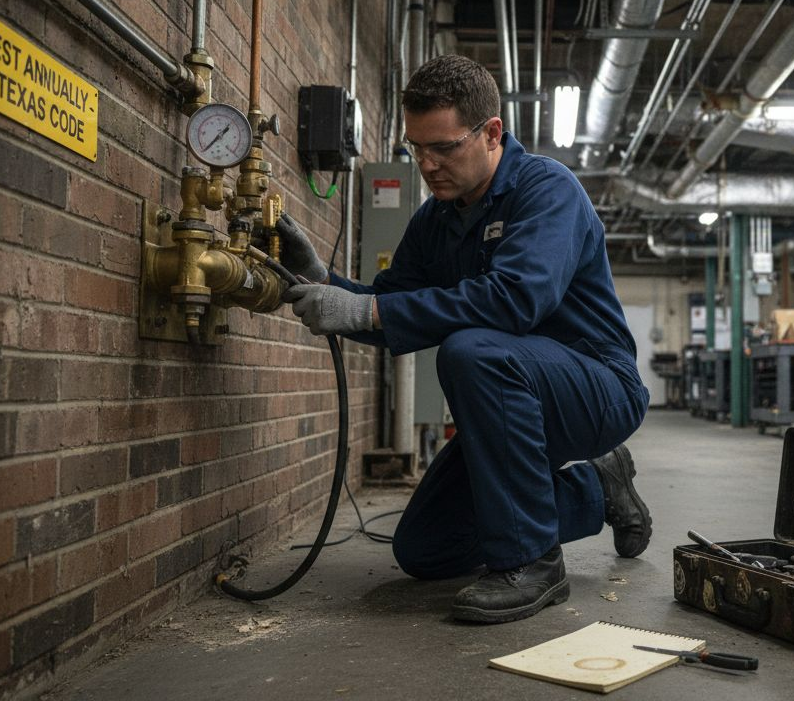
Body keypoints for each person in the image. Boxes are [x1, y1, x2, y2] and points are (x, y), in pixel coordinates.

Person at [272, 54, 652, 624]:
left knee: (472, 349)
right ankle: (597, 488)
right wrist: (326, 286)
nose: (427, 164)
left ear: (492, 133)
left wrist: (369, 310)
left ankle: (533, 564)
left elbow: (516, 300)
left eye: (444, 147)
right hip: (509, 400)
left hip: (596, 387)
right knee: (426, 548)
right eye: (416, 148)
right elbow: (393, 306)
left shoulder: (546, 189)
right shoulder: (435, 220)